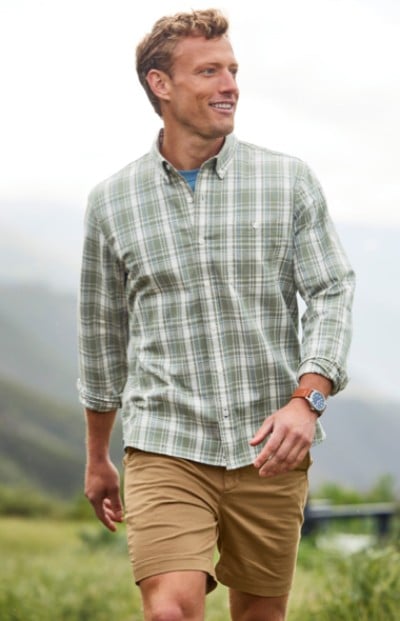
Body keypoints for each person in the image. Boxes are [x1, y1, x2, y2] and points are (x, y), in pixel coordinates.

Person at [78, 8, 355, 621]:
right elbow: (102, 339)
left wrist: (306, 401)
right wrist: (99, 456)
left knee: (259, 614)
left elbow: (332, 289)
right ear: (161, 84)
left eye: (232, 69)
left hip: (269, 446)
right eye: (209, 71)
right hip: (163, 442)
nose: (230, 84)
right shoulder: (111, 202)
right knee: (169, 612)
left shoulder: (288, 182)